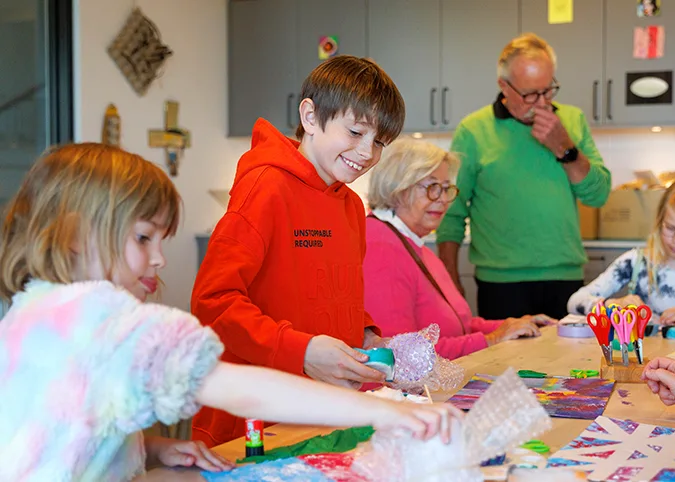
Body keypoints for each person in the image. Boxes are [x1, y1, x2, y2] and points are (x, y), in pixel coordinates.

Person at [0, 144, 462, 481]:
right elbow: (243, 390)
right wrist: (385, 414)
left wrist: (153, 449)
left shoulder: (34, 310)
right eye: (143, 238)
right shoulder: (103, 318)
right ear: (73, 235)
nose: (159, 259)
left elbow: (71, 420)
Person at [190, 55, 407, 447]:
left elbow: (329, 292)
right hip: (251, 421)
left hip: (320, 410)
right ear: (310, 116)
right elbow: (214, 301)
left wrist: (366, 334)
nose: (367, 153)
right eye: (356, 132)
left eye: (379, 142)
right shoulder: (266, 188)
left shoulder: (351, 206)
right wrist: (302, 350)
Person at [435, 33, 612, 321]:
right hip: (501, 285)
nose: (541, 103)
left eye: (549, 90)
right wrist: (450, 282)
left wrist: (564, 148)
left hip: (565, 277)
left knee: (570, 366)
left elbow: (599, 195)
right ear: (503, 86)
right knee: (504, 367)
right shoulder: (473, 131)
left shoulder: (572, 120)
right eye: (530, 94)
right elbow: (451, 213)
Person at [363, 139, 554, 360]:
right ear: (397, 187)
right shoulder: (379, 244)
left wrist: (510, 325)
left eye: (446, 189)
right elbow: (398, 353)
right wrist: (491, 340)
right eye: (432, 187)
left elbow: (459, 326)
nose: (443, 200)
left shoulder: (412, 242)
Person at [567, 177, 675, 325]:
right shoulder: (635, 262)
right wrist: (613, 305)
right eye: (670, 228)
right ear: (659, 221)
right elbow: (574, 302)